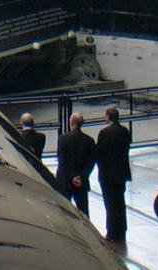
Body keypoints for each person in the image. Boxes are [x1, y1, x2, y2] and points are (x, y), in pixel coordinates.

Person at [96, 106, 132, 250]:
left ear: (107, 117)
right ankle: (122, 231)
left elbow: (99, 152)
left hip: (108, 174)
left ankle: (112, 232)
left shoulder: (104, 133)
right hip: (121, 173)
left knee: (110, 204)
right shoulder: (124, 131)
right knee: (120, 202)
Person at [56, 112, 96, 216]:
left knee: (65, 213)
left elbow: (62, 161)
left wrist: (72, 177)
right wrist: (80, 177)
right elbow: (91, 163)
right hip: (81, 183)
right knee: (84, 214)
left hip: (65, 182)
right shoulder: (89, 141)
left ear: (71, 123)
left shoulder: (63, 139)